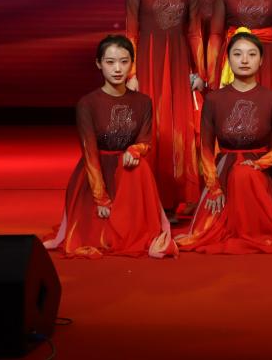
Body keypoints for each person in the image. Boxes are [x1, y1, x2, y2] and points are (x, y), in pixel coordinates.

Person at [44, 36, 176, 258]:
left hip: (129, 173)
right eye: (110, 62)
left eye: (124, 62)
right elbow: (89, 152)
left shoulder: (143, 102)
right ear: (98, 63)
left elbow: (146, 141)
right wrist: (101, 197)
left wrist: (135, 150)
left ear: (132, 64)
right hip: (97, 174)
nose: (117, 69)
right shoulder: (87, 104)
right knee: (99, 236)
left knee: (139, 172)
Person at [176, 31, 272, 254]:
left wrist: (258, 164)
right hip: (223, 171)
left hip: (261, 170)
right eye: (238, 54)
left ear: (262, 60)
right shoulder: (214, 99)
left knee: (245, 174)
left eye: (252, 54)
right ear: (228, 59)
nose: (244, 60)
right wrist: (213, 186)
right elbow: (206, 148)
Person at [125, 0, 204, 219]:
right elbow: (131, 33)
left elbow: (194, 33)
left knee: (177, 128)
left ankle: (172, 200)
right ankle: (149, 198)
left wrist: (200, 71)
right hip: (148, 62)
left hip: (179, 63)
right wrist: (131, 72)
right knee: (152, 128)